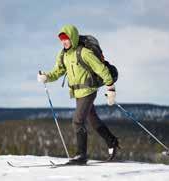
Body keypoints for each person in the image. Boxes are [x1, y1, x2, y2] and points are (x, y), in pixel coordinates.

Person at [37, 24, 119, 165]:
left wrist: (110, 88)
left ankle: (81, 155)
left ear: (73, 38)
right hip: (77, 93)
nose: (64, 42)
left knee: (77, 121)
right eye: (62, 39)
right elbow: (57, 72)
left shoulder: (84, 52)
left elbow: (102, 69)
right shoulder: (63, 55)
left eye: (66, 38)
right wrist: (46, 77)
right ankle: (111, 141)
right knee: (92, 119)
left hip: (88, 91)